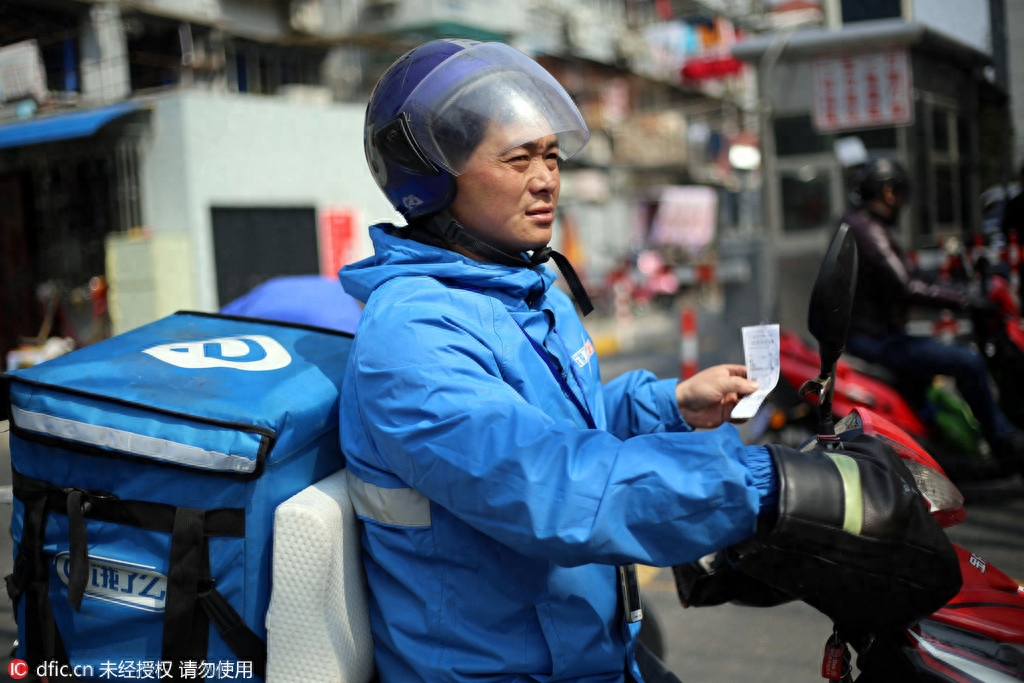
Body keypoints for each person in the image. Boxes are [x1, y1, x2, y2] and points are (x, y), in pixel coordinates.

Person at [338, 40, 958, 682]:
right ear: (431, 179)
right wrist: (772, 485)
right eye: (518, 158)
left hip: (591, 651)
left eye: (551, 156)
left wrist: (668, 405)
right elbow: (547, 481)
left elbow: (563, 424)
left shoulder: (528, 289)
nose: (546, 179)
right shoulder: (413, 334)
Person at [842, 156, 1024, 468]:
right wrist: (966, 301)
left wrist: (957, 288)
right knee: (967, 361)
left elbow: (913, 274)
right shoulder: (867, 230)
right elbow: (907, 286)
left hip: (876, 335)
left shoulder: (865, 226)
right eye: (898, 193)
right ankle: (1003, 441)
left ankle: (945, 448)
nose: (901, 202)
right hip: (876, 340)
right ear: (888, 192)